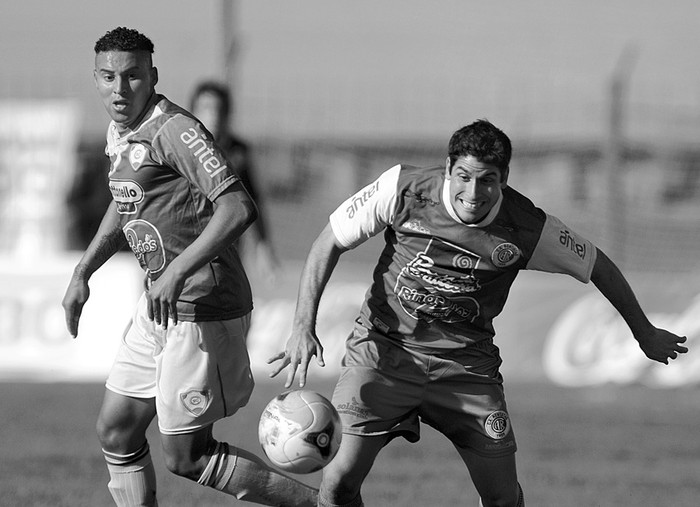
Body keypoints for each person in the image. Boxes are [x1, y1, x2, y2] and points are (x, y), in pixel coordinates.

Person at [268, 119, 688, 507]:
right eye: (464, 177)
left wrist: (644, 332)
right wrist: (303, 326)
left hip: (466, 369)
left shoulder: (526, 226)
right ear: (448, 168)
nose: (473, 192)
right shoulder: (402, 188)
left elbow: (598, 265)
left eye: (487, 181)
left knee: (503, 498)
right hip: (383, 355)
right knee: (338, 484)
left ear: (504, 180)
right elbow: (328, 242)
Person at [61, 27, 317, 507]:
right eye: (108, 76)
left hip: (202, 306)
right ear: (95, 79)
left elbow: (239, 208)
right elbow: (126, 201)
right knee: (116, 431)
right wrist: (83, 271)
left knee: (187, 457)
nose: (120, 89)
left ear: (152, 76)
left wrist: (177, 271)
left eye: (133, 76)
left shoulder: (173, 129)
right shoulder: (122, 134)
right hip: (159, 305)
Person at [189, 80, 280, 284]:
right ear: (192, 111)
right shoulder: (181, 150)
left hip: (228, 253)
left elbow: (252, 200)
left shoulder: (238, 153)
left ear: (227, 114)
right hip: (187, 249)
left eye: (218, 109)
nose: (213, 115)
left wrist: (263, 247)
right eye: (205, 108)